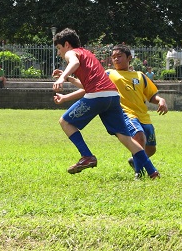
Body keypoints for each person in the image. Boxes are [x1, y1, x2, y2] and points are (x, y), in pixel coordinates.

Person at [51, 28, 159, 179]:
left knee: (65, 122)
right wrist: (67, 81)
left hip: (98, 96)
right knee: (125, 137)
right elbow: (88, 86)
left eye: (59, 48)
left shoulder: (72, 53)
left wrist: (62, 78)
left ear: (67, 44)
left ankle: (87, 156)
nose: (59, 53)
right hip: (113, 97)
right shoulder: (87, 54)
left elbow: (74, 62)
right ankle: (152, 172)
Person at [106, 45, 167, 167]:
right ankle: (140, 173)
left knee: (151, 149)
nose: (116, 59)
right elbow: (90, 83)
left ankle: (135, 161)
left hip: (143, 116)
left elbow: (151, 96)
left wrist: (161, 100)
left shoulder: (140, 76)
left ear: (129, 58)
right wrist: (68, 78)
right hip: (126, 114)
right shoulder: (109, 74)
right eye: (113, 57)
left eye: (119, 56)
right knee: (139, 137)